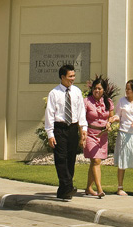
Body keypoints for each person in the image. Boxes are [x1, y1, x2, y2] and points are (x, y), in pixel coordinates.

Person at [44, 64, 86, 200]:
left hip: (73, 128)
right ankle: (68, 185)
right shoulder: (54, 93)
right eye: (70, 76)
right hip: (59, 128)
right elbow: (49, 114)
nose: (73, 79)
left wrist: (83, 129)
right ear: (62, 77)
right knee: (61, 158)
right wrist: (50, 134)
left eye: (74, 76)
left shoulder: (77, 92)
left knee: (71, 158)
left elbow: (81, 111)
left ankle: (63, 191)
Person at [83, 76, 117, 198]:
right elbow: (81, 118)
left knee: (95, 162)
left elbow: (111, 117)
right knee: (96, 160)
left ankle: (88, 188)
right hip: (90, 134)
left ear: (104, 90)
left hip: (103, 135)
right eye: (94, 88)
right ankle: (100, 189)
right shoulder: (86, 101)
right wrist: (82, 135)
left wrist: (109, 123)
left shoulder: (108, 102)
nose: (96, 91)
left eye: (99, 88)